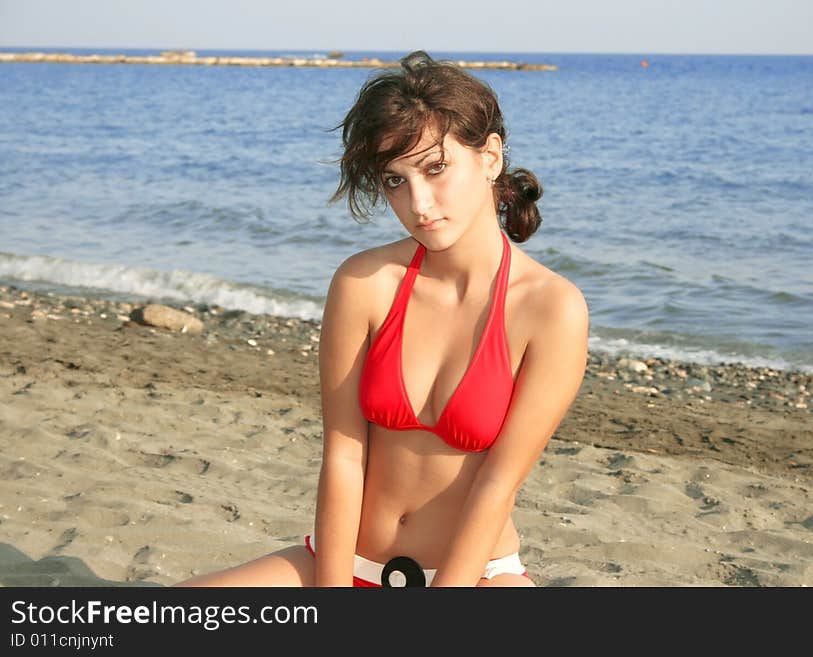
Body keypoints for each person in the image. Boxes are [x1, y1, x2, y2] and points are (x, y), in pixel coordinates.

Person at [175, 50, 589, 588]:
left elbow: (497, 485)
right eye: (395, 180)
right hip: (343, 563)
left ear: (490, 157)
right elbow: (343, 458)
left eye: (436, 169)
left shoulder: (551, 308)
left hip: (476, 578)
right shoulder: (364, 283)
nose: (419, 203)